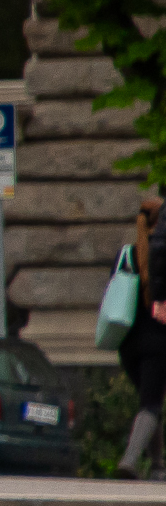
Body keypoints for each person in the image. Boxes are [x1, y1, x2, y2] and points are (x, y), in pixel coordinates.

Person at [117, 187, 166, 478]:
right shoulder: (162, 256)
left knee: (149, 402)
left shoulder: (126, 255)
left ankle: (158, 466)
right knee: (150, 404)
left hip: (127, 344)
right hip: (157, 343)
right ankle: (129, 462)